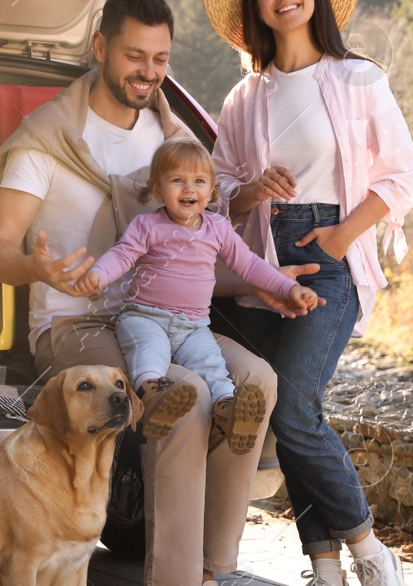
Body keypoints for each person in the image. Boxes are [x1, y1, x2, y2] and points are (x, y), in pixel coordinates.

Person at [0, 0, 317, 586]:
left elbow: (188, 259)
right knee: (188, 393)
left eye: (160, 58)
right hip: (74, 326)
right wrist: (37, 265)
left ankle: (206, 582)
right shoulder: (47, 139)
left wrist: (262, 285)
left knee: (254, 379)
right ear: (101, 48)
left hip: (160, 317)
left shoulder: (170, 145)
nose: (148, 71)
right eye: (135, 54)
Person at [202, 0, 413, 586]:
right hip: (265, 262)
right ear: (255, 7)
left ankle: (370, 554)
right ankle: (325, 578)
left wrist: (336, 240)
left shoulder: (357, 79)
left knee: (294, 409)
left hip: (328, 258)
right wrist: (249, 192)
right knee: (284, 412)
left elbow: (400, 178)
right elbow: (220, 192)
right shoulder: (245, 97)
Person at [68, 136, 319, 454]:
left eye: (199, 181)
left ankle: (229, 411)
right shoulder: (147, 225)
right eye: (177, 181)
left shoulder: (218, 228)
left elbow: (251, 265)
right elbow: (121, 255)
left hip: (194, 326)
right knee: (149, 352)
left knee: (213, 367)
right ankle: (155, 396)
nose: (189, 189)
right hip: (146, 316)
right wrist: (98, 275)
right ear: (158, 190)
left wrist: (289, 287)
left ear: (211, 191)